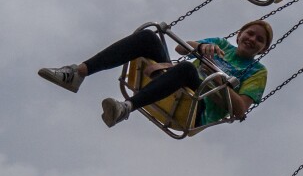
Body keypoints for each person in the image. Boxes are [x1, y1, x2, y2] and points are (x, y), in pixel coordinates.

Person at [38, 20, 270, 129]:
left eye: (260, 40)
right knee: (149, 37)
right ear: (239, 34)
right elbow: (181, 49)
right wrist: (199, 48)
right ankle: (78, 73)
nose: (252, 40)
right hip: (174, 80)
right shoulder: (220, 44)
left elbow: (240, 110)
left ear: (263, 49)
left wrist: (219, 80)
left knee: (188, 69)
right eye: (250, 33)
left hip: (197, 107)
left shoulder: (257, 72)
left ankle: (126, 108)